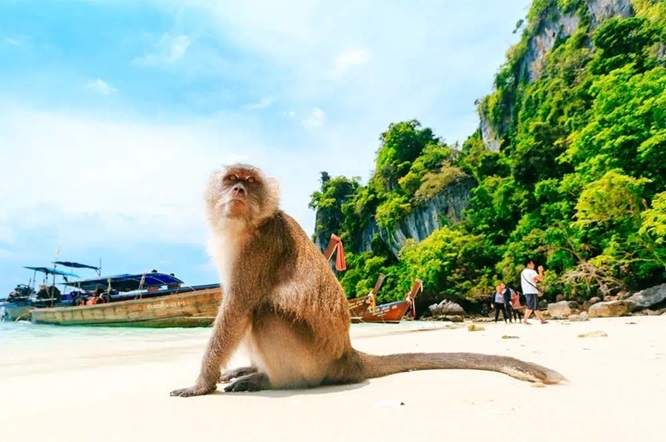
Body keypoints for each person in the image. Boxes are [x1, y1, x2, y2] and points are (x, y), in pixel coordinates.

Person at [520, 259, 547, 324]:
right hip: (531, 290)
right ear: (528, 264)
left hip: (527, 290)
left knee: (535, 307)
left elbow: (534, 280)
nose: (534, 265)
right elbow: (541, 279)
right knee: (531, 306)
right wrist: (540, 271)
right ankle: (525, 320)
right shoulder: (532, 271)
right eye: (532, 263)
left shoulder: (523, 272)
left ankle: (542, 320)